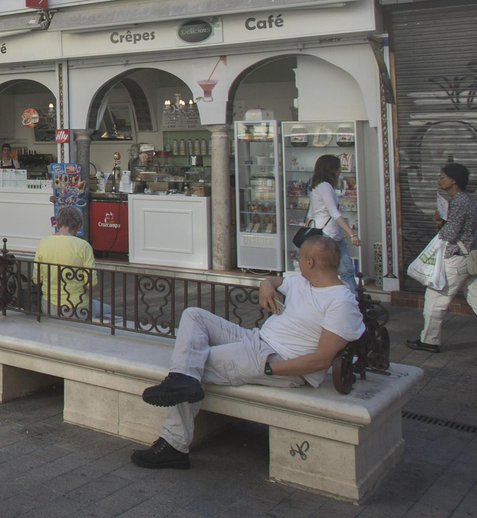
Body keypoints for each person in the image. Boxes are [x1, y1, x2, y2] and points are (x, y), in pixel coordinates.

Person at [130, 232, 364, 470]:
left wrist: (269, 368)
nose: (297, 261)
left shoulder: (340, 302)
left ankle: (173, 444)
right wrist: (265, 285)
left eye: (299, 257)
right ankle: (182, 380)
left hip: (274, 358)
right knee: (193, 317)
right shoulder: (304, 281)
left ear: (310, 262)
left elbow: (321, 360)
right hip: (256, 339)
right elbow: (274, 281)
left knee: (192, 363)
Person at [408, 163, 477, 363]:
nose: (438, 180)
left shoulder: (459, 203)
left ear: (453, 180)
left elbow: (450, 235)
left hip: (457, 260)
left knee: (435, 299)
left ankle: (429, 341)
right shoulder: (468, 202)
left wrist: (440, 225)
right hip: (471, 261)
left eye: (442, 177)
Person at [308, 154, 360, 292]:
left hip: (328, 234)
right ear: (332, 169)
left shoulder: (317, 186)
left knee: (339, 271)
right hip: (329, 235)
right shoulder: (325, 187)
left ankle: (352, 302)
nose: (340, 171)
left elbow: (311, 213)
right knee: (345, 272)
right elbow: (334, 213)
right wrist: (352, 233)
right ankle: (354, 303)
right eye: (338, 168)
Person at [33, 206, 99, 315]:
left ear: (57, 224)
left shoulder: (43, 243)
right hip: (78, 308)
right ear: (79, 226)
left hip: (48, 305)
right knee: (107, 309)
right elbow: (91, 284)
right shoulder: (83, 246)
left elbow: (36, 279)